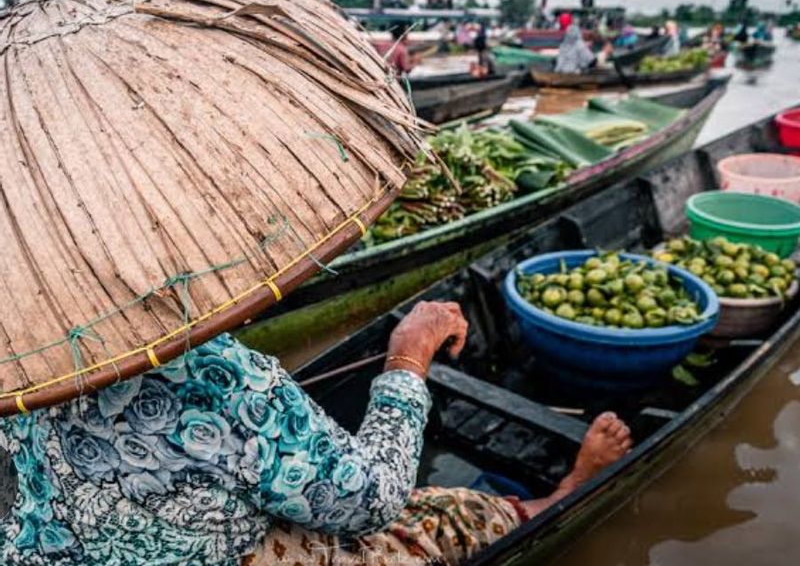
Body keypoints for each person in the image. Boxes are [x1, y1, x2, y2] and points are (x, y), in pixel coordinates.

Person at [0, 300, 632, 565]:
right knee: (427, 518)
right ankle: (559, 495)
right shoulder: (212, 373)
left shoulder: (13, 356)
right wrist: (408, 356)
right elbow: (369, 500)